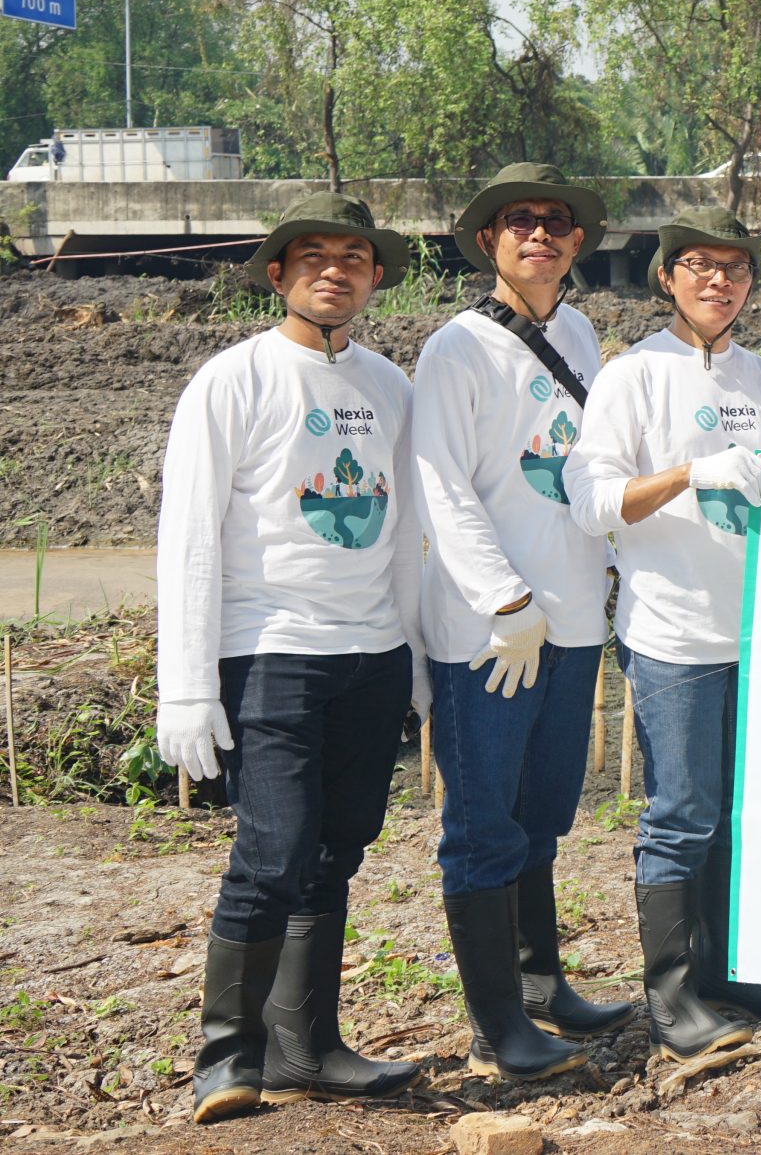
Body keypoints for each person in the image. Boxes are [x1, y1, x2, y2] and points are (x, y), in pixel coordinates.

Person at [154, 194, 424, 1122]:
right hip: (270, 650)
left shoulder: (390, 385)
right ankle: (227, 1057)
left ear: (377, 276)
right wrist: (186, 686)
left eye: (355, 256)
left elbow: (404, 532)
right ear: (277, 274)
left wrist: (415, 656)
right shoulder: (232, 381)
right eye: (314, 255)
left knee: (335, 850)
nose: (335, 270)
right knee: (271, 851)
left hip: (371, 652)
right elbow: (188, 536)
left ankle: (308, 1045)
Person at [563, 208, 761, 1061]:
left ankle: (730, 968)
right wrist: (686, 474)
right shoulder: (632, 376)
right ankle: (671, 995)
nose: (718, 281)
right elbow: (592, 503)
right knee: (683, 811)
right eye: (698, 266)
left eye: (734, 269)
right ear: (665, 277)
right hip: (671, 631)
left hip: (757, 630)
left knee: (741, 813)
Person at [411, 163, 628, 1082]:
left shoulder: (578, 332)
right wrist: (504, 601)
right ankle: (495, 1022)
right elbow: (441, 486)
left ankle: (542, 982)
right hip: (491, 631)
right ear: (490, 240)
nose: (539, 234)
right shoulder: (455, 349)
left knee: (544, 813)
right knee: (483, 825)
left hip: (574, 617)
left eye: (555, 222)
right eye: (519, 222)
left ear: (576, 243)